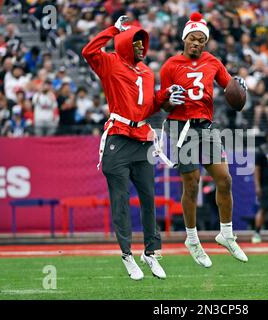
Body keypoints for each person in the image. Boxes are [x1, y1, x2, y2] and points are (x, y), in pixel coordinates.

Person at [82, 15, 183, 280]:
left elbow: (147, 107)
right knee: (121, 200)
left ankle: (150, 252)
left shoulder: (148, 73)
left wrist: (164, 96)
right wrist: (114, 30)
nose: (141, 47)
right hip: (118, 137)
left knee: (149, 198)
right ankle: (127, 254)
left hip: (142, 138)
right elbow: (88, 51)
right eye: (137, 43)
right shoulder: (110, 62)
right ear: (125, 43)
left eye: (143, 43)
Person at [157, 12, 248, 267]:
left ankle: (226, 233)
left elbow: (230, 87)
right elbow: (162, 103)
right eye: (193, 39)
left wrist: (240, 87)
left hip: (206, 126)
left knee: (225, 179)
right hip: (181, 128)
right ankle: (192, 239)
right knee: (192, 184)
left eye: (201, 40)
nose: (197, 43)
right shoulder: (170, 66)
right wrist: (168, 100)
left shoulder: (213, 62)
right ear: (185, 38)